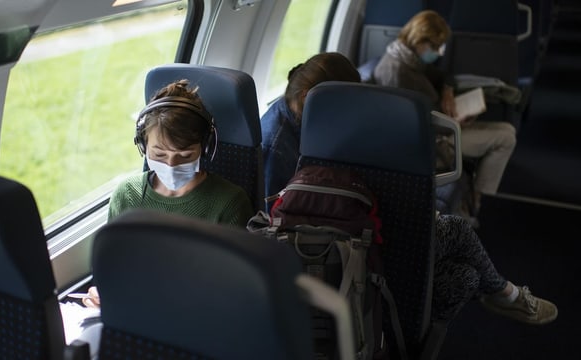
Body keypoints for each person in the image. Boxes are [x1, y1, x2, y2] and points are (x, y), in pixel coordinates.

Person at [262, 52, 557, 326]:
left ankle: (405, 327)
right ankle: (506, 295)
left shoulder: (318, 122)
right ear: (305, 97)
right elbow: (284, 221)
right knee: (456, 230)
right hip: (334, 251)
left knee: (466, 278)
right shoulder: (277, 146)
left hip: (358, 232)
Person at [82, 79, 254, 308]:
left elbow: (232, 289)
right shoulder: (127, 195)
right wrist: (102, 292)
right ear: (143, 147)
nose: (171, 165)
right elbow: (113, 268)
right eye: (160, 155)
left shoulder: (230, 203)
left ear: (205, 148)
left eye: (184, 155)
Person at [372, 9, 517, 218]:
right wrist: (458, 121)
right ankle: (476, 197)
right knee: (506, 137)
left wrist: (447, 92)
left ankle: (474, 193)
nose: (438, 52)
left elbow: (441, 76)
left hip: (444, 125)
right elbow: (414, 127)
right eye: (434, 47)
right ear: (419, 39)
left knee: (507, 129)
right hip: (437, 140)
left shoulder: (407, 58)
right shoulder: (398, 74)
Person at [260, 52, 361, 202]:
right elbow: (272, 213)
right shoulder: (276, 147)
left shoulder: (306, 116)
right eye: (339, 104)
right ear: (308, 96)